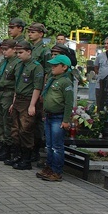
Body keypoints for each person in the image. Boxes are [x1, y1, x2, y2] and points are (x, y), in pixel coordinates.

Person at [7, 40, 44, 171]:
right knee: (15, 129)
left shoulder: (36, 66)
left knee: (26, 130)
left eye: (21, 52)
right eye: (17, 52)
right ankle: (17, 155)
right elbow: (17, 85)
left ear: (29, 52)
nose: (18, 55)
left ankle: (26, 159)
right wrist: (13, 102)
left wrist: (32, 105)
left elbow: (37, 87)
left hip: (28, 100)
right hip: (18, 99)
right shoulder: (19, 65)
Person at [37, 54, 74, 182]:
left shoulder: (65, 82)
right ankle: (49, 168)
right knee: (49, 144)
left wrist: (66, 120)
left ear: (64, 67)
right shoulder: (53, 79)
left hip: (58, 117)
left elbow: (69, 102)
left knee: (56, 146)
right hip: (49, 116)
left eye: (55, 65)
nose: (52, 67)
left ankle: (56, 171)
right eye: (52, 65)